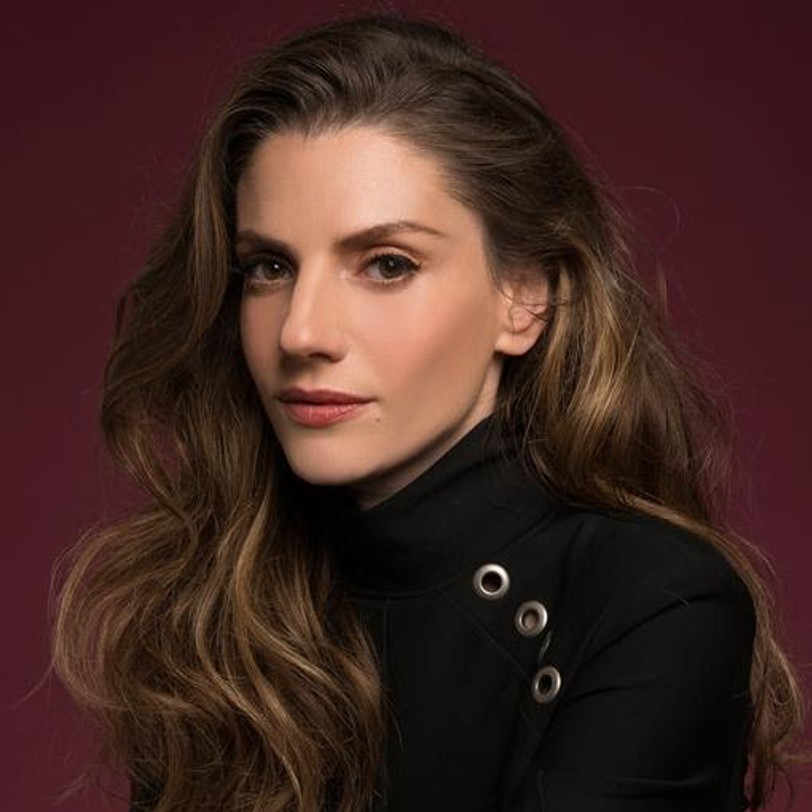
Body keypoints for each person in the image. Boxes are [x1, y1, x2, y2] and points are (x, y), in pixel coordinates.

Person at [51, 11, 806, 812]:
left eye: (386, 264)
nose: (301, 332)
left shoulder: (653, 603)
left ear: (523, 298)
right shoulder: (218, 609)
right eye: (269, 266)